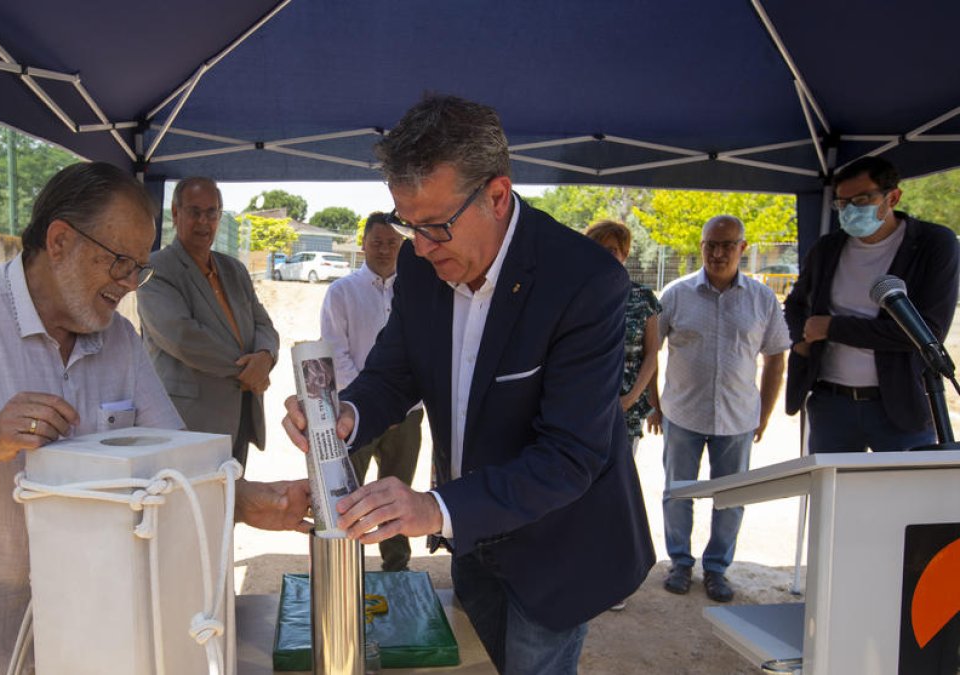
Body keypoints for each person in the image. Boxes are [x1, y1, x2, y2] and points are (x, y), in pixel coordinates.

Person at [0, 162, 310, 674]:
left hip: (68, 638)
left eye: (140, 268)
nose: (131, 284)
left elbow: (173, 461)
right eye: (119, 263)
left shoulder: (119, 341)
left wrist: (250, 501)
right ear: (60, 241)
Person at [282, 95, 654, 675]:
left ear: (497, 196)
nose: (420, 246)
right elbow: (393, 374)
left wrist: (434, 508)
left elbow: (570, 456)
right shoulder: (418, 265)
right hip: (471, 538)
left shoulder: (584, 280)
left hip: (555, 547)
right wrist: (349, 414)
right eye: (408, 224)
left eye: (436, 226)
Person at [651, 215, 789, 603]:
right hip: (683, 414)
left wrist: (763, 413)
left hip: (737, 418)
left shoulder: (762, 299)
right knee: (678, 492)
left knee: (731, 498)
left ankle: (716, 568)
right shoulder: (676, 294)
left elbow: (776, 357)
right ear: (701, 247)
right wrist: (654, 405)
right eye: (710, 245)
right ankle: (680, 562)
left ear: (742, 248)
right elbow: (651, 351)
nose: (717, 253)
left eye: (727, 245)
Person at [784, 156, 960, 453]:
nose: (850, 209)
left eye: (862, 200)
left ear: (893, 197)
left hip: (899, 406)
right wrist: (801, 341)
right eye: (842, 203)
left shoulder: (933, 244)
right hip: (831, 403)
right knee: (830, 485)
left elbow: (925, 334)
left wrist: (833, 328)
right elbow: (795, 305)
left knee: (903, 485)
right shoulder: (827, 248)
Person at [137, 176, 279, 470]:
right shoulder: (156, 269)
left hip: (240, 416)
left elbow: (263, 324)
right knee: (189, 497)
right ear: (175, 213)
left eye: (211, 213)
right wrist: (248, 371)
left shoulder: (234, 269)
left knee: (233, 495)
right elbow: (182, 337)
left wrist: (266, 356)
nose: (204, 221)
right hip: (188, 422)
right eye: (194, 212)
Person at [320, 212, 422, 572]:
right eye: (377, 242)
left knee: (399, 491)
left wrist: (398, 404)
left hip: (408, 414)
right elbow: (335, 352)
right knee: (350, 493)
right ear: (362, 244)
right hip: (354, 414)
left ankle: (397, 564)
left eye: (392, 242)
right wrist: (374, 404)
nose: (384, 249)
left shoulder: (416, 291)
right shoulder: (341, 292)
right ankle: (346, 566)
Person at [584, 220, 661, 455]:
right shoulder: (576, 296)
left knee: (620, 472)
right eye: (596, 248)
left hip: (626, 410)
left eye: (611, 250)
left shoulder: (642, 297)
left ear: (624, 254)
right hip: (584, 407)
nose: (603, 256)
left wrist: (630, 399)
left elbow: (652, 354)